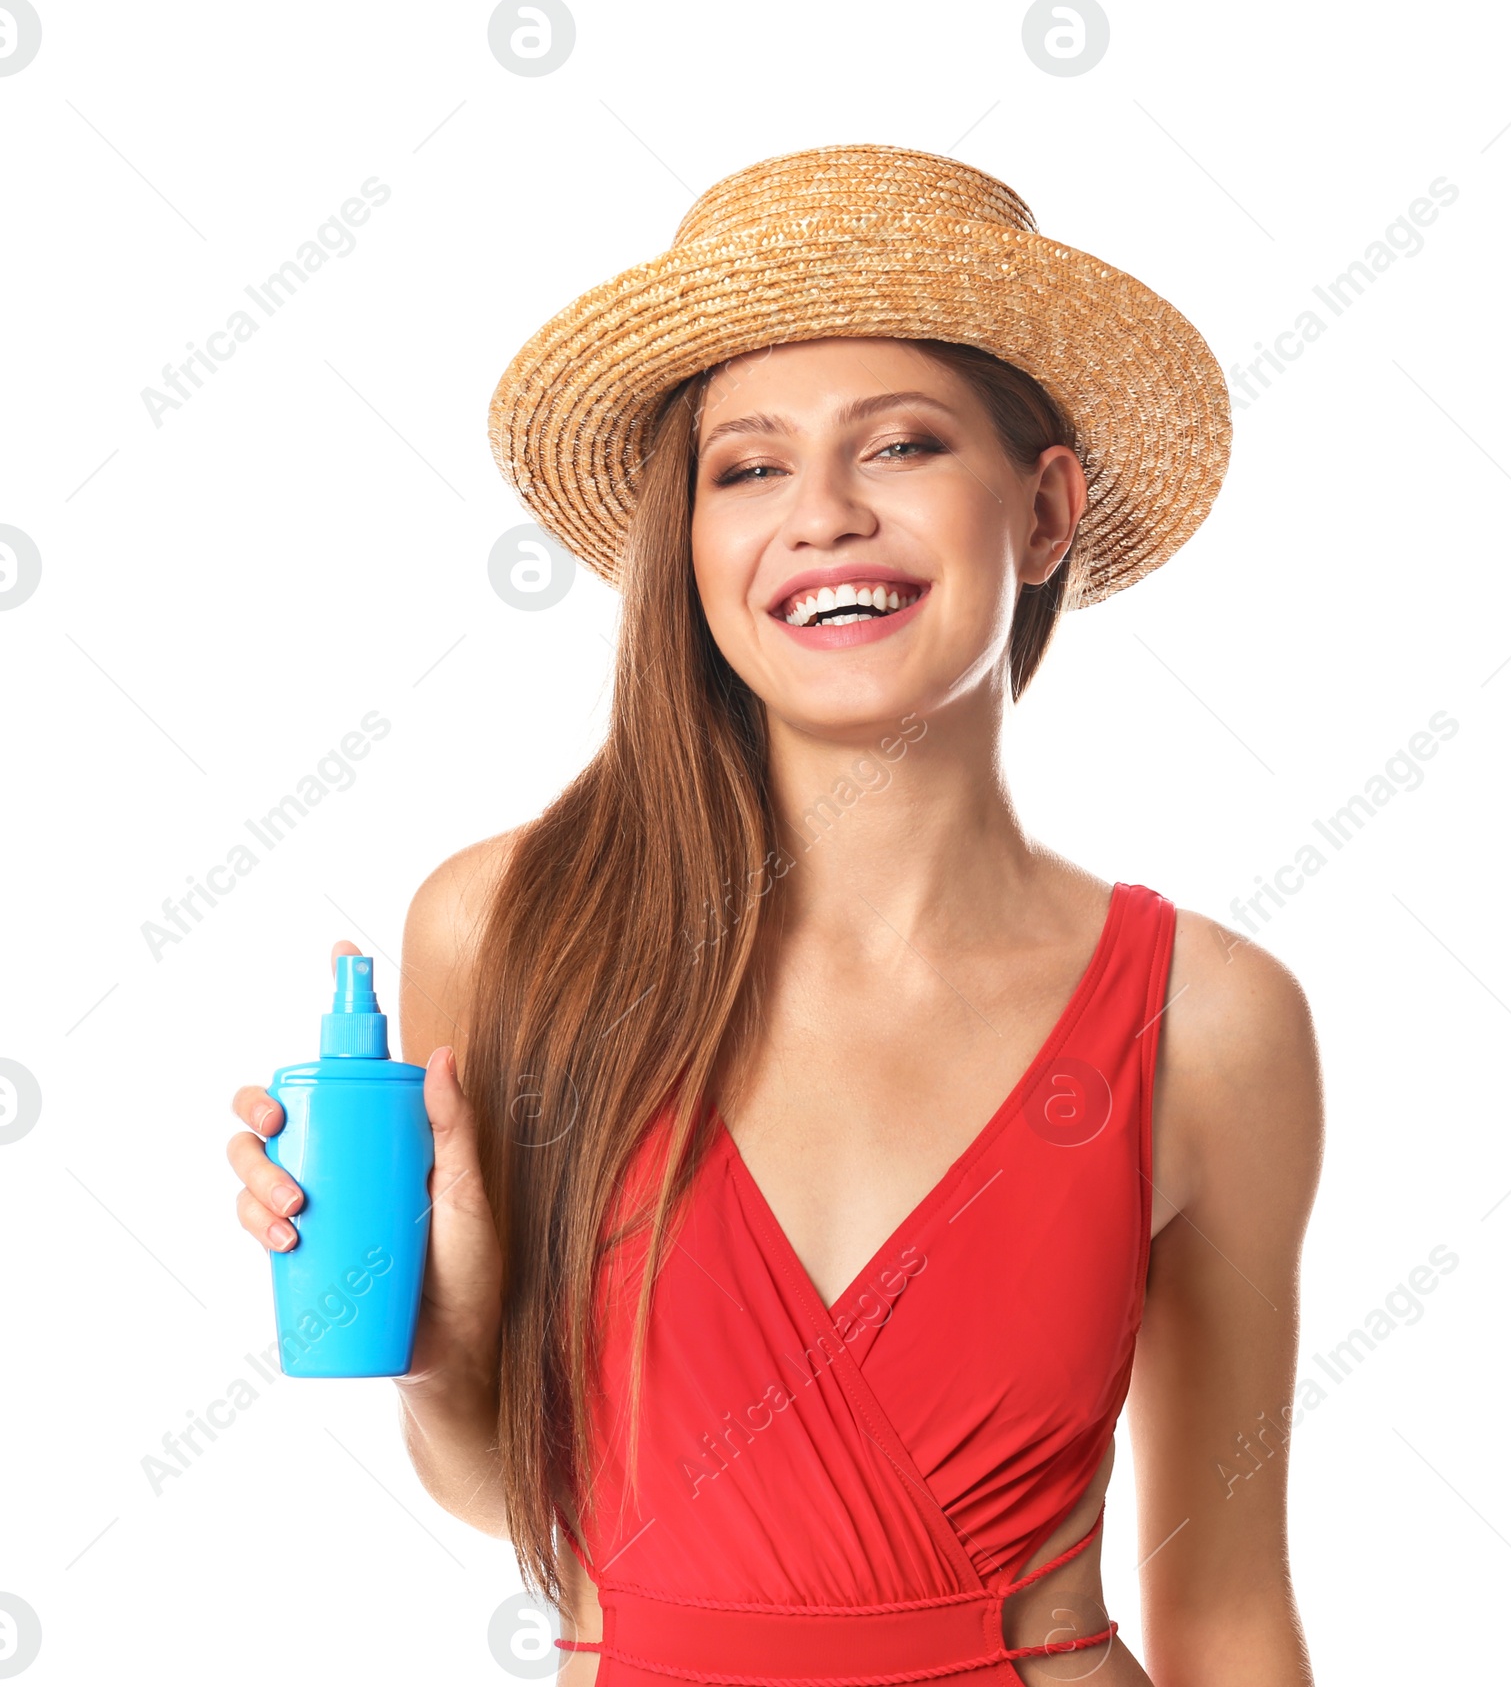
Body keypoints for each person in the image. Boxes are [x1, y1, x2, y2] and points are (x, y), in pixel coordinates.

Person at [229, 145, 1322, 1685]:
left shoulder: (1211, 1020)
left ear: (1051, 507)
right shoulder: (503, 932)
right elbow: (512, 1504)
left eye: (902, 447)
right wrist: (434, 1345)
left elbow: (1229, 1617)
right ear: (690, 542)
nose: (820, 515)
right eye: (746, 468)